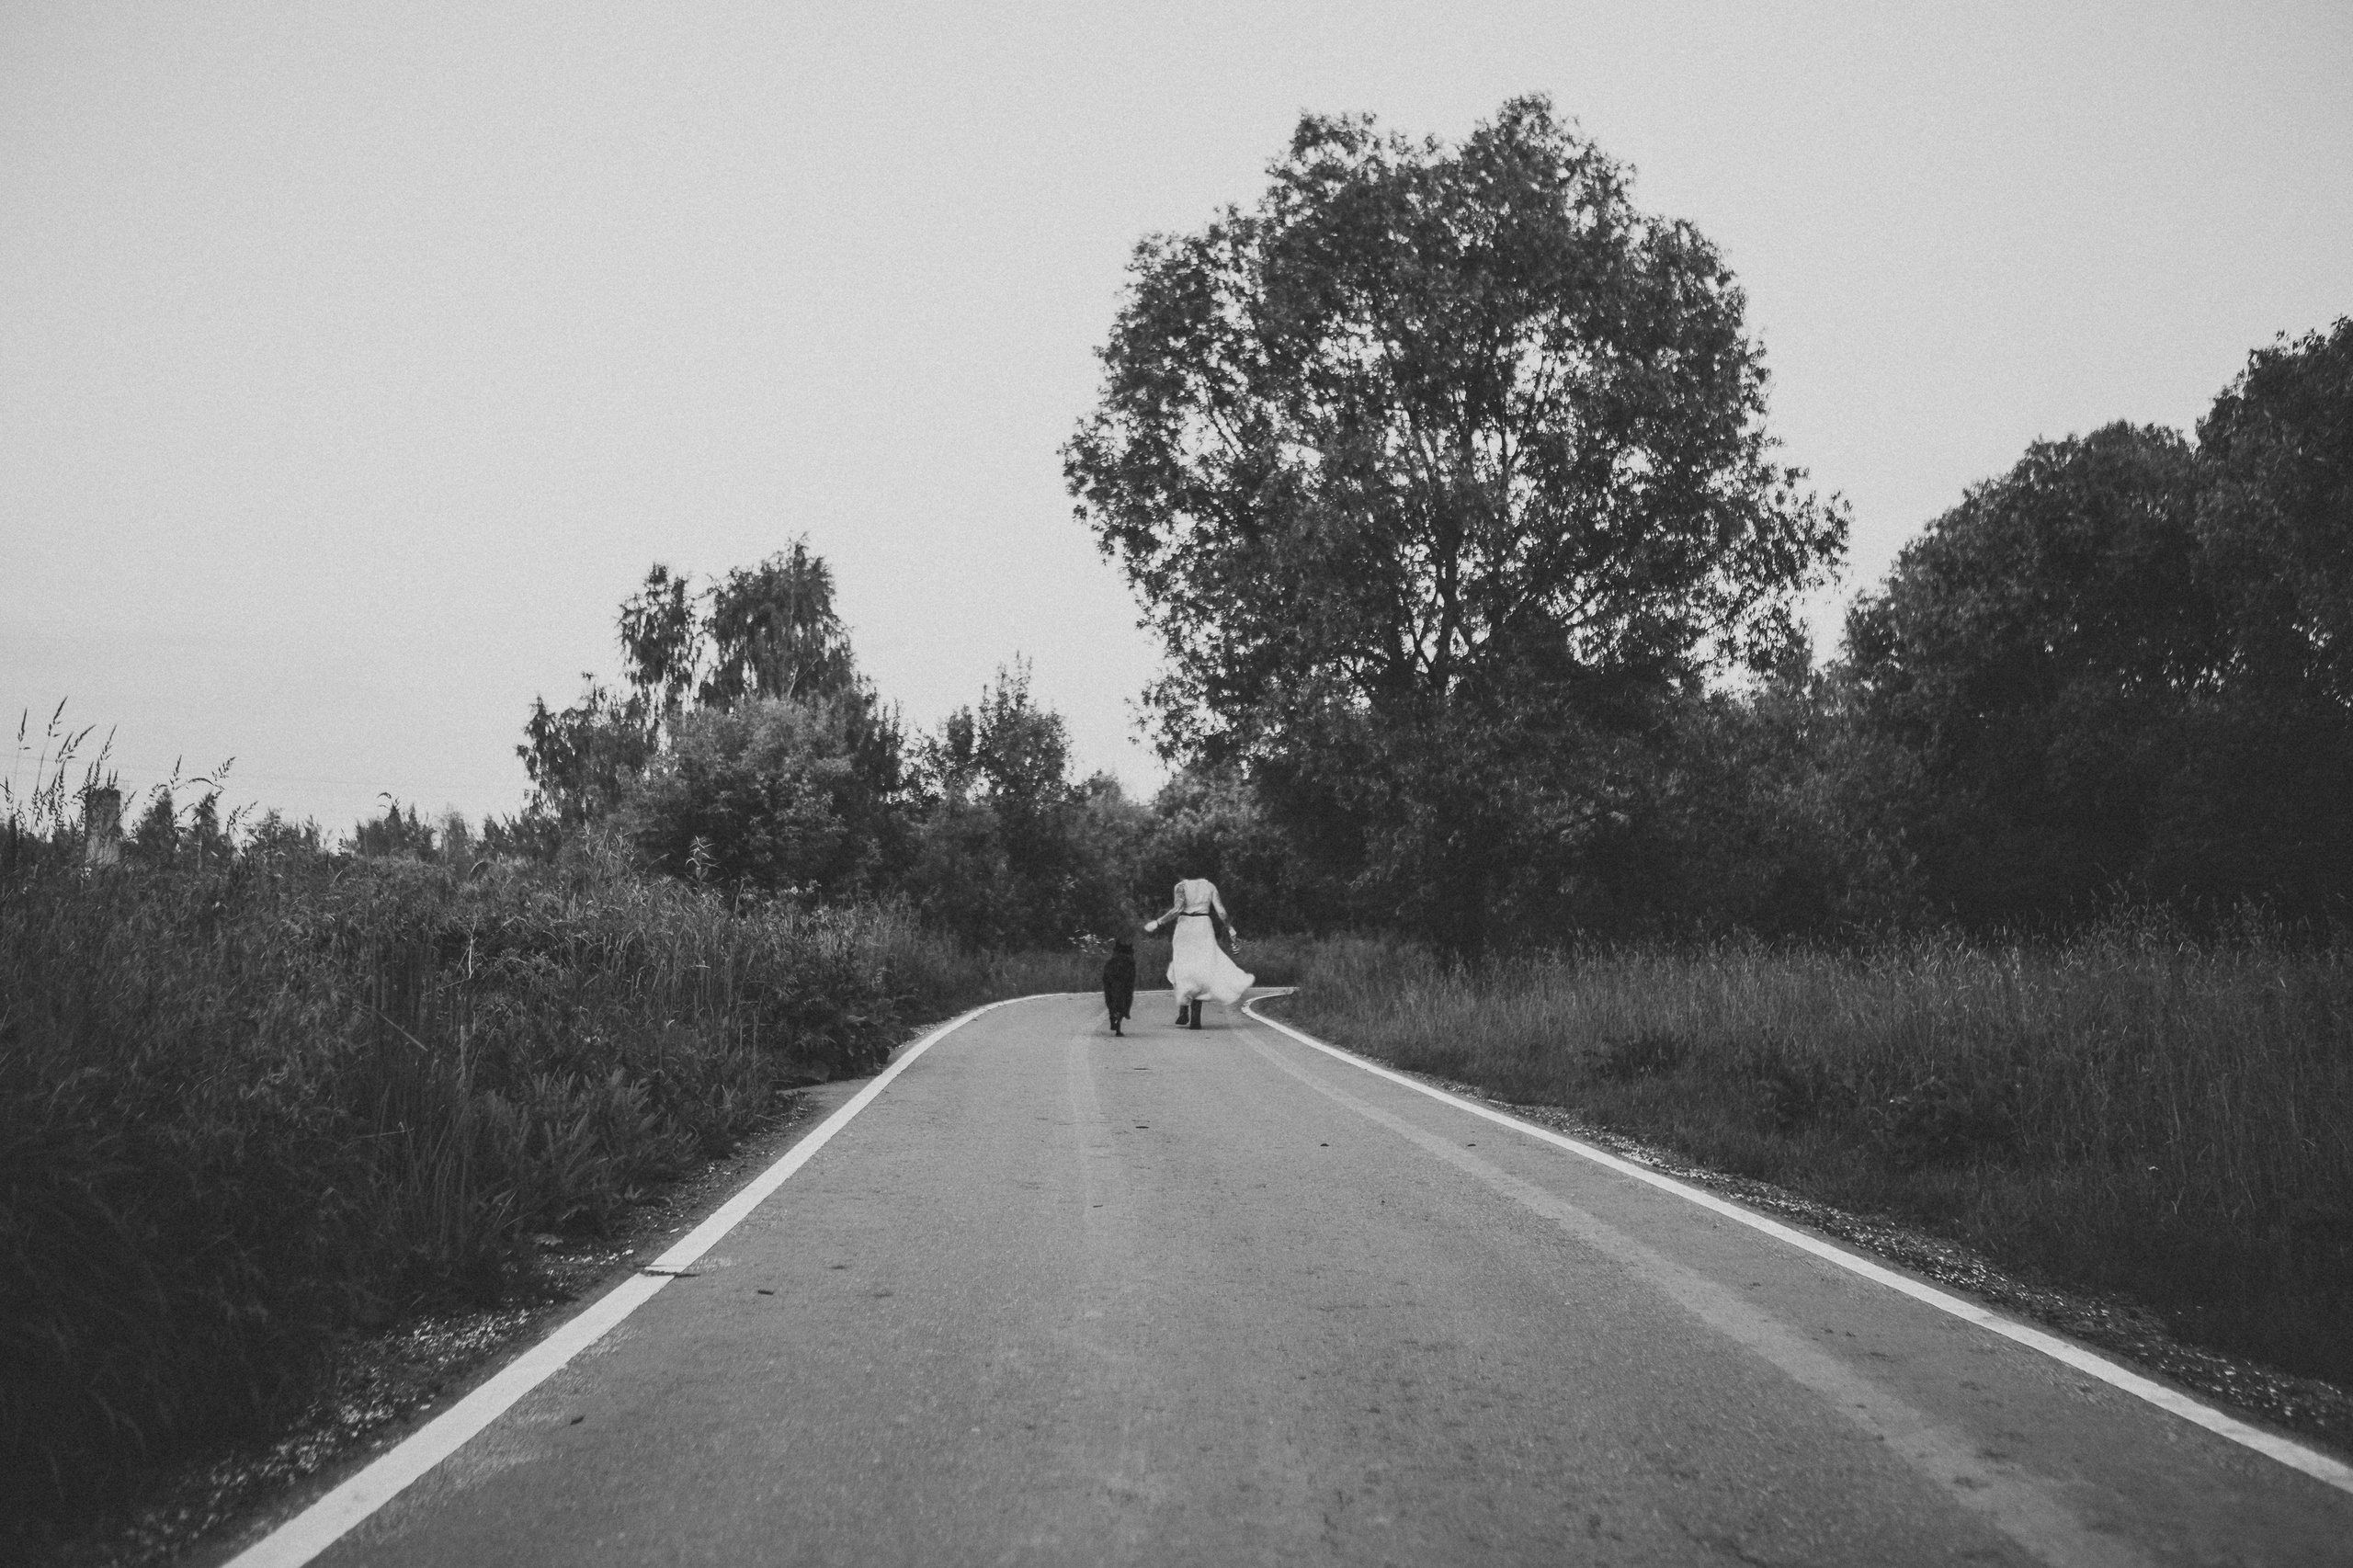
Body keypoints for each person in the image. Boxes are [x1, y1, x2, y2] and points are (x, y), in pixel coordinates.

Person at [1142, 877, 1255, 1028]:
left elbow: (1178, 909)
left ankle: (1184, 1011)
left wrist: (1158, 922)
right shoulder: (1210, 886)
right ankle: (1195, 1017)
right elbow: (1221, 911)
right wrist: (1230, 928)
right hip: (1203, 927)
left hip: (1186, 928)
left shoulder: (1181, 886)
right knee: (1200, 970)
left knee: (1183, 968)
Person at [1101, 938, 1136, 1037]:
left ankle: (1112, 1018)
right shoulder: (1130, 963)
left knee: (1110, 996)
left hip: (1110, 977)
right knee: (1126, 995)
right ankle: (1122, 1018)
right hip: (1125, 979)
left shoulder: (1110, 963)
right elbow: (1131, 981)